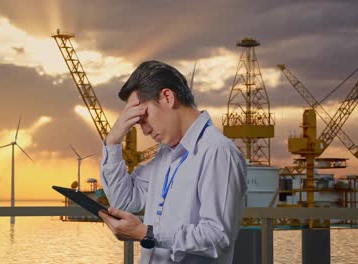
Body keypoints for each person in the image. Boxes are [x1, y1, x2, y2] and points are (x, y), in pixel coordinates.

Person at [98, 60, 247, 264]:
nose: (145, 130)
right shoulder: (166, 155)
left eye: (143, 118)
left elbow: (217, 237)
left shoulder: (218, 152)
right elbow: (125, 201)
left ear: (167, 97)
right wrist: (113, 141)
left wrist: (147, 234)